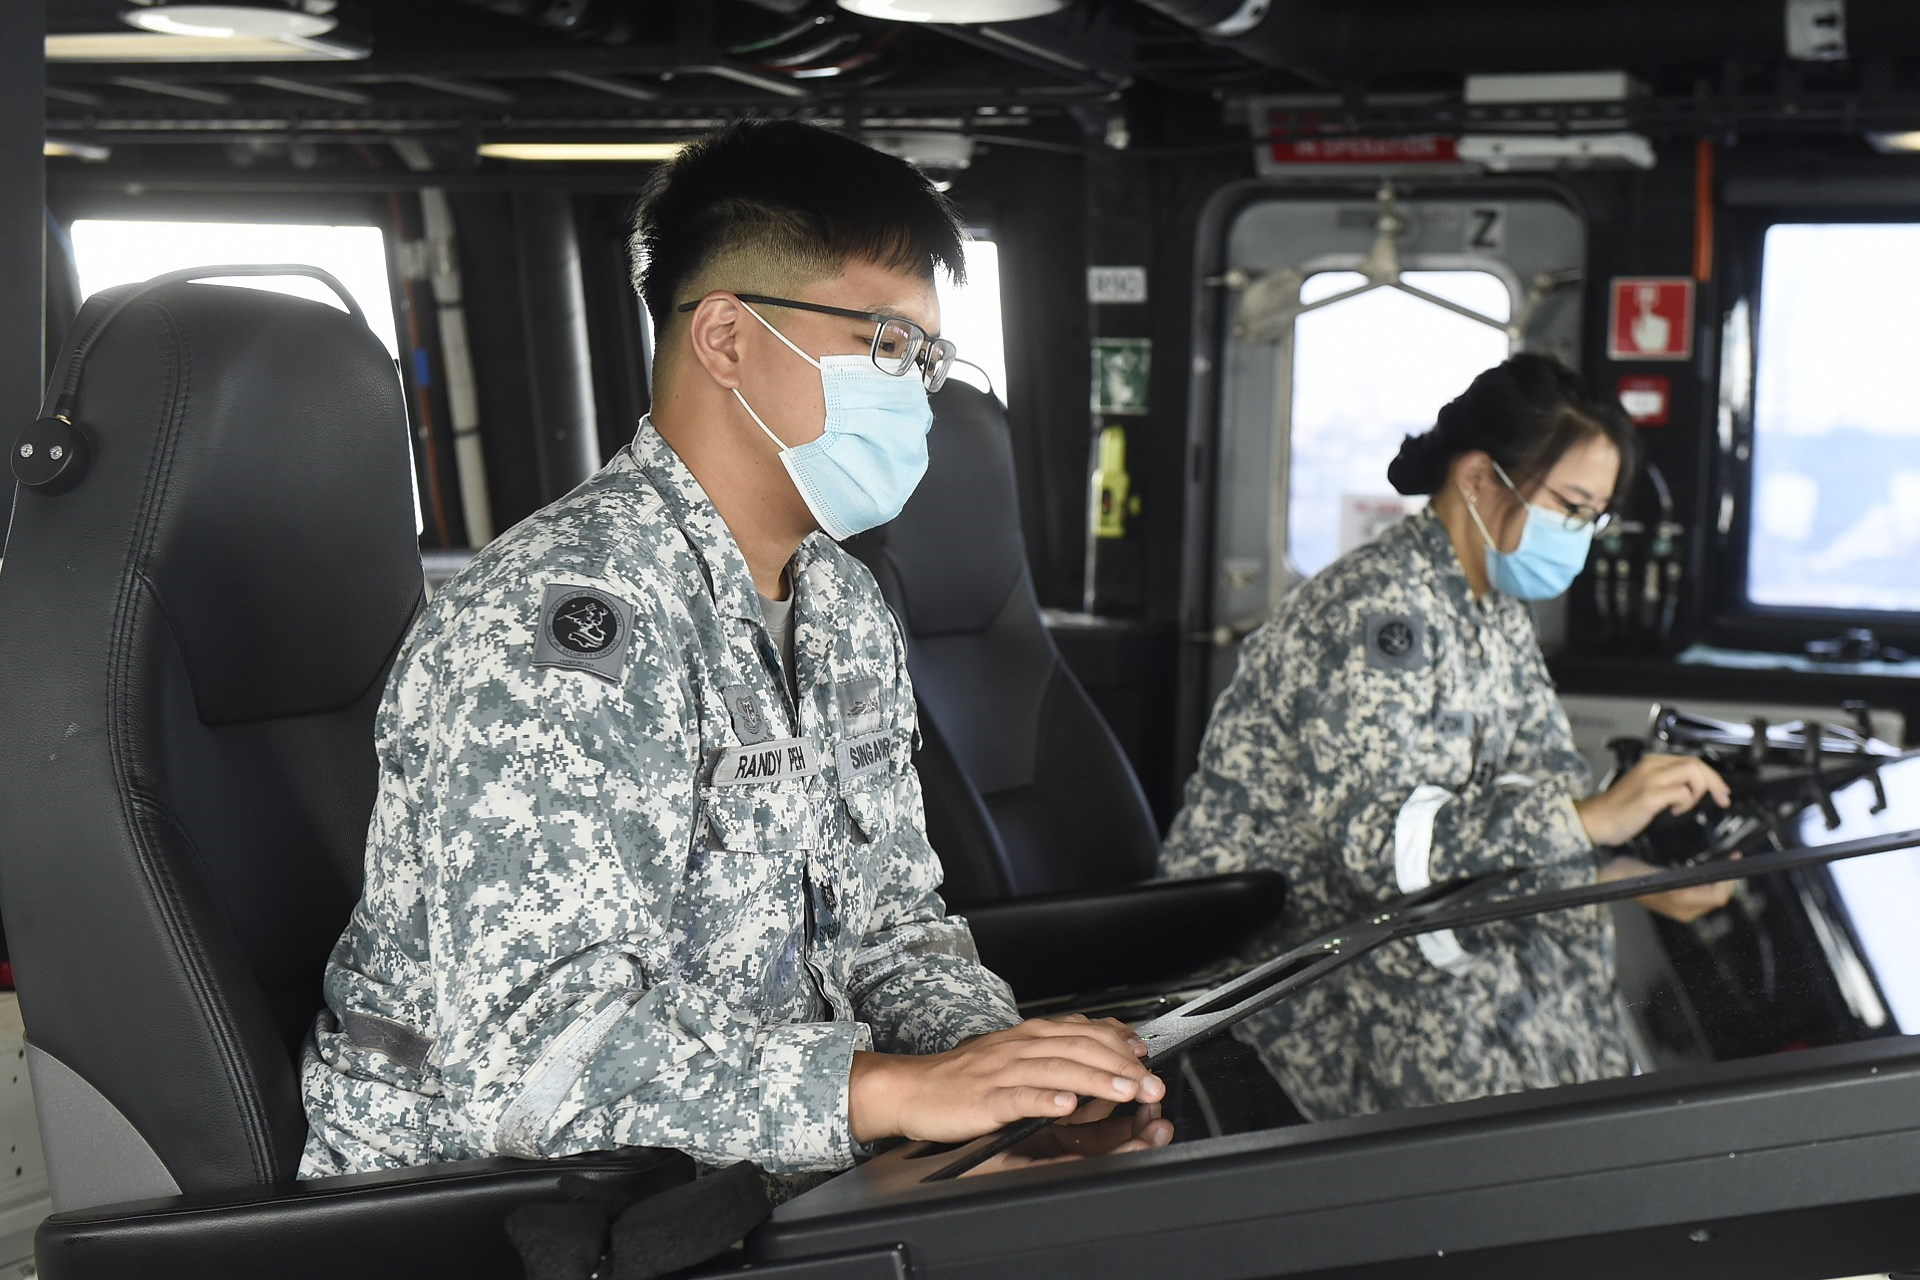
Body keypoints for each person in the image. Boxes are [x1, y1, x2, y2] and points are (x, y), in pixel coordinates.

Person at [300, 119, 1170, 1184]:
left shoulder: (841, 602)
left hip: (744, 1169)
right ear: (725, 339)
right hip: (481, 1206)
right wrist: (887, 1092)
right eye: (887, 344)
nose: (915, 390)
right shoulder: (562, 622)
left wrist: (1012, 1081)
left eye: (928, 358)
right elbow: (536, 1066)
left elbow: (891, 932)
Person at [1161, 354, 1733, 1122]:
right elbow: (1380, 847)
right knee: (1537, 1116)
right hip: (1305, 959)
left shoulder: (1491, 607)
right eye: (1570, 507)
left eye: (1594, 517)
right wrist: (1593, 820)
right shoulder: (1376, 611)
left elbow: (1540, 791)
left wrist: (1632, 875)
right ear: (1478, 478)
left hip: (1425, 930)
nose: (1580, 536)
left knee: (1590, 1064)